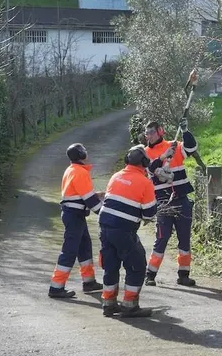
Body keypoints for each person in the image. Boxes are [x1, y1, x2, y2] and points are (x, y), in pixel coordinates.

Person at [97, 145, 157, 318]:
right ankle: (130, 306)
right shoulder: (145, 182)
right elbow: (149, 213)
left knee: (110, 265)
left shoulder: (116, 176)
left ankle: (108, 304)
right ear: (144, 162)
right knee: (137, 265)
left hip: (105, 226)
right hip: (123, 230)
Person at [143, 116, 199, 287]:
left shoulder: (174, 146)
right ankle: (150, 274)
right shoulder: (145, 153)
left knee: (184, 239)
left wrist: (185, 131)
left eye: (152, 132)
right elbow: (149, 169)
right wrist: (162, 157)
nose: (149, 136)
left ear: (160, 132)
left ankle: (184, 275)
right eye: (147, 133)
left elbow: (191, 148)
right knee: (162, 238)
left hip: (181, 200)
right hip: (162, 202)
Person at [49, 143, 104, 299]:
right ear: (81, 155)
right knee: (69, 250)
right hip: (74, 216)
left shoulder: (72, 169)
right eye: (84, 151)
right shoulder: (80, 172)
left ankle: (89, 282)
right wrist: (105, 213)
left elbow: (78, 194)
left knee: (84, 247)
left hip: (74, 215)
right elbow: (89, 200)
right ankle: (56, 287)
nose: (87, 153)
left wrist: (97, 195)